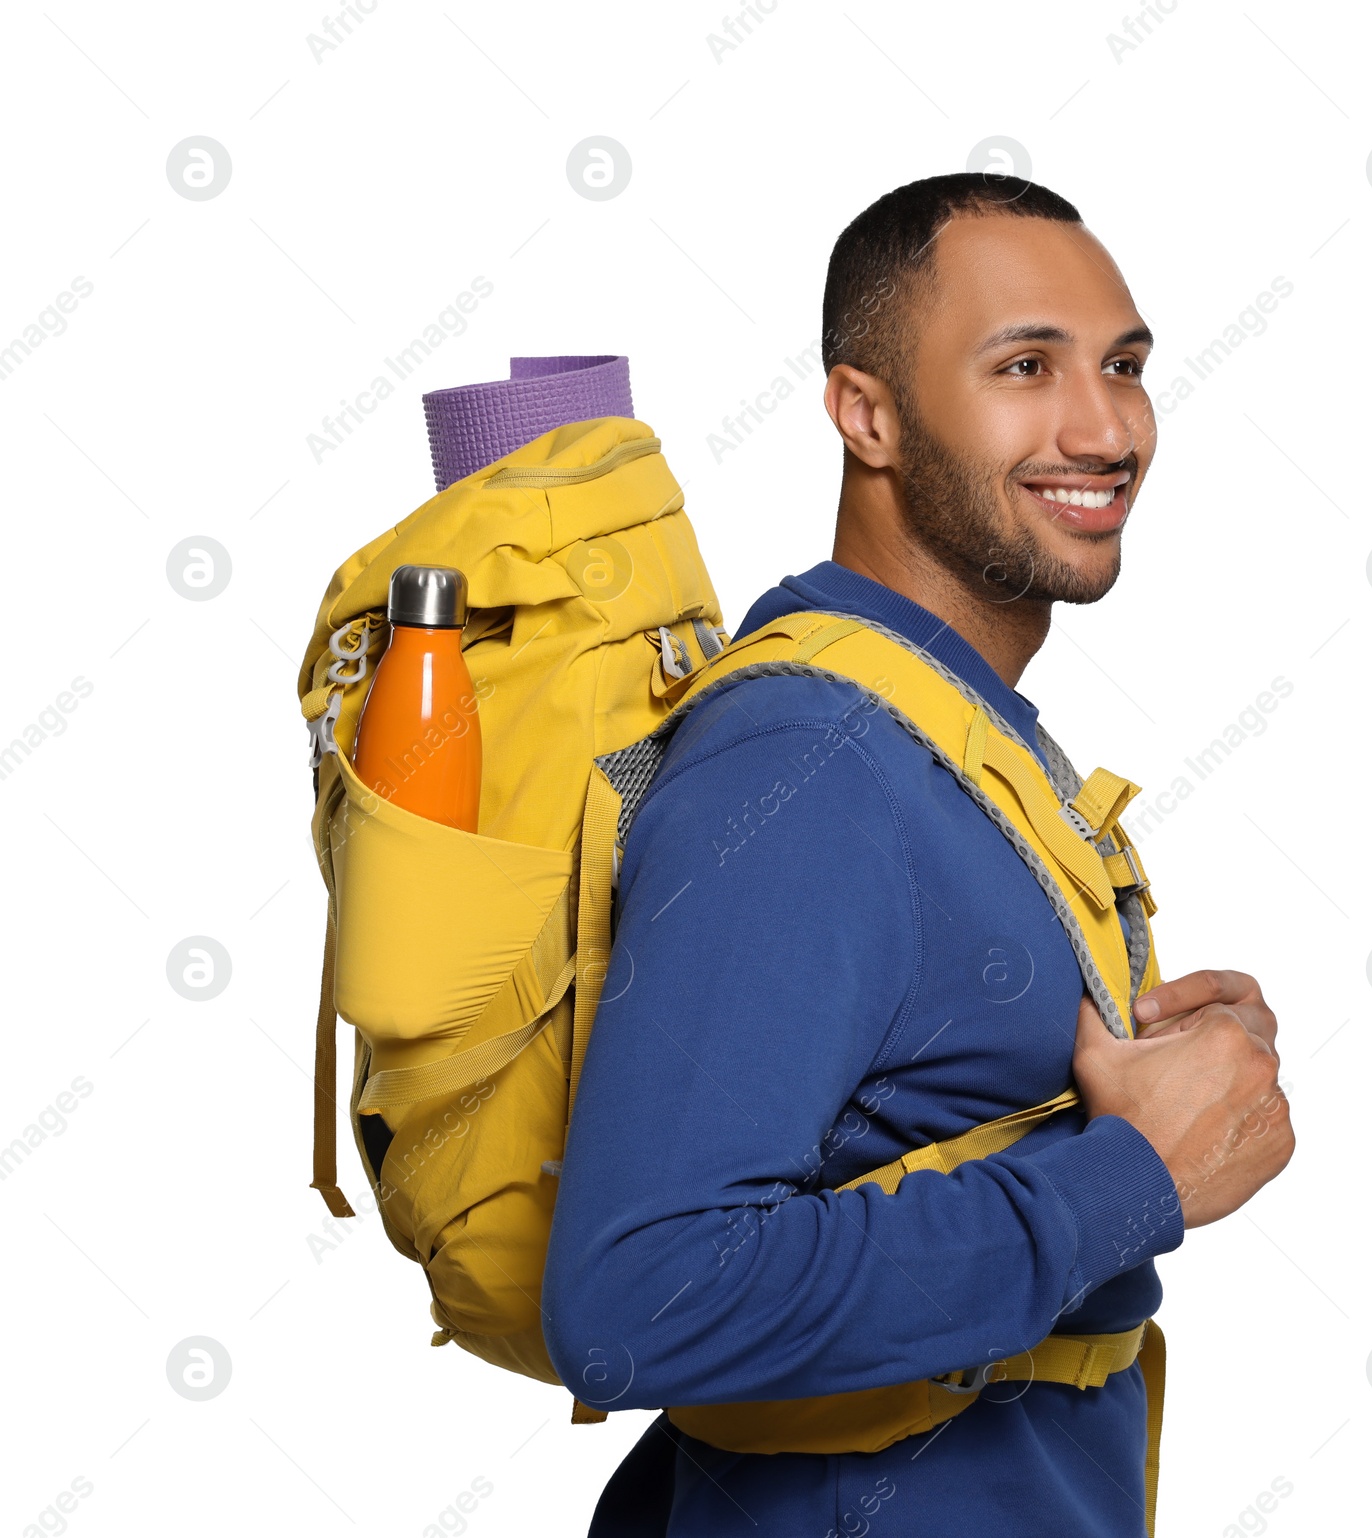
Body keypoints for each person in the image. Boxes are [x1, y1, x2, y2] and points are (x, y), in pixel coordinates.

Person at [543, 172, 1295, 1537]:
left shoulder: (946, 727)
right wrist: (1133, 1176)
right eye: (1026, 366)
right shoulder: (809, 764)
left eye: (1123, 366)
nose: (1105, 425)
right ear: (866, 413)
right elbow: (635, 1299)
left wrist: (1142, 1076)